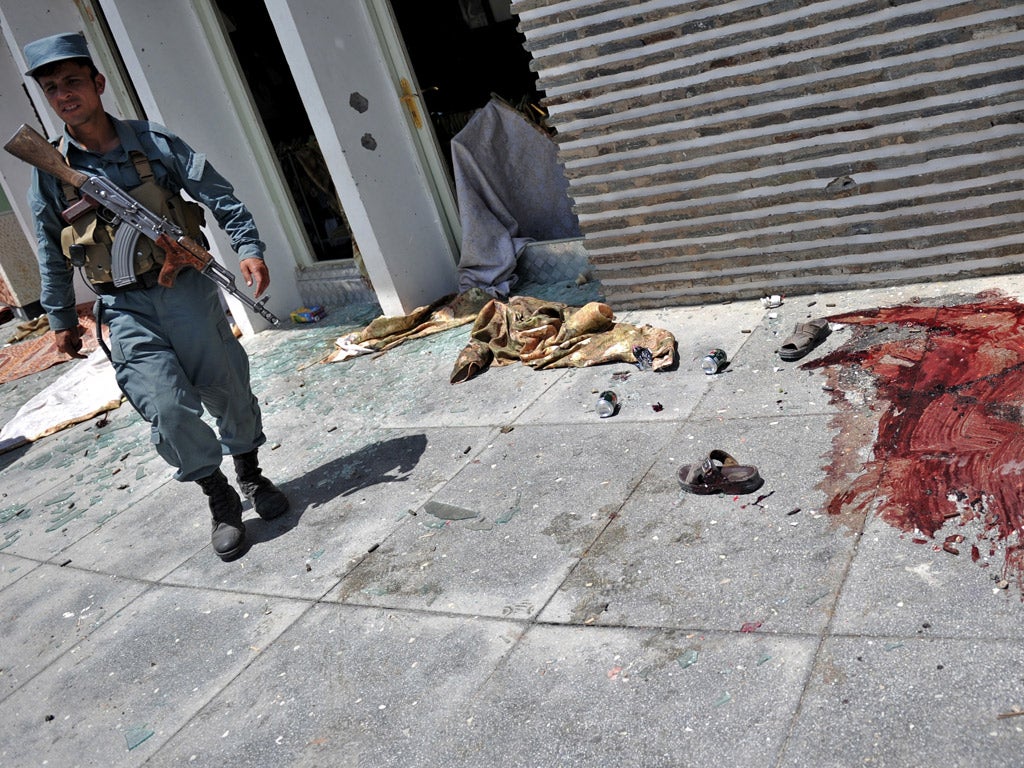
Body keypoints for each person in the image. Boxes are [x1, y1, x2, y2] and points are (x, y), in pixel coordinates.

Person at [22, 32, 288, 560]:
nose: (64, 95)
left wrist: (249, 247)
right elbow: (52, 250)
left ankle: (251, 474)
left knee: (229, 387)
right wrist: (59, 316)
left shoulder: (154, 143)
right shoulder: (51, 171)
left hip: (187, 291)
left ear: (98, 83)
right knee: (166, 408)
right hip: (124, 308)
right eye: (52, 89)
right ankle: (220, 498)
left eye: (72, 81)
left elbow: (219, 196)